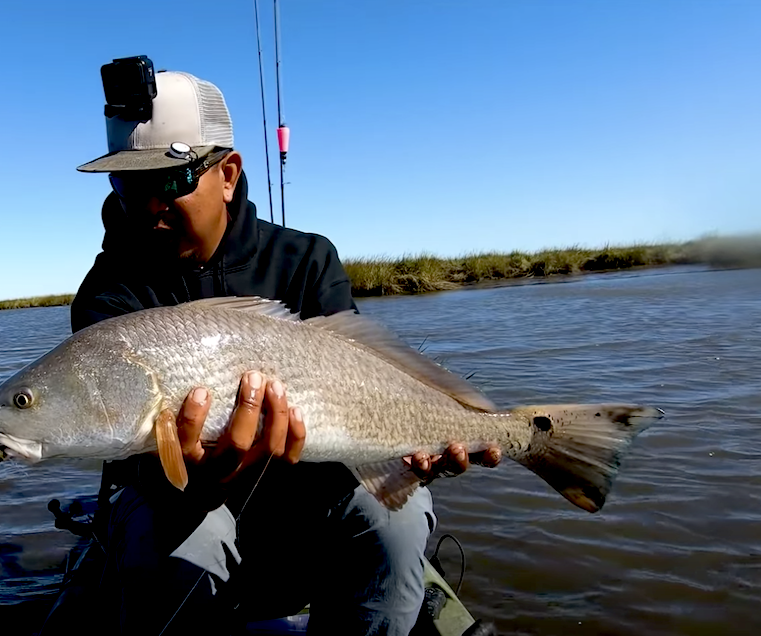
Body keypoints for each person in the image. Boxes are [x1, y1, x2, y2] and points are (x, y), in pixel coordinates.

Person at [45, 65, 500, 635]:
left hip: (312, 482)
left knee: (399, 519)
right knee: (174, 544)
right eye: (127, 186)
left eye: (168, 181)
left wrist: (421, 440)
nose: (149, 207)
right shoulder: (108, 297)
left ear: (228, 174)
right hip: (173, 491)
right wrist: (199, 475)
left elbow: (368, 382)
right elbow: (140, 465)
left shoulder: (307, 261)